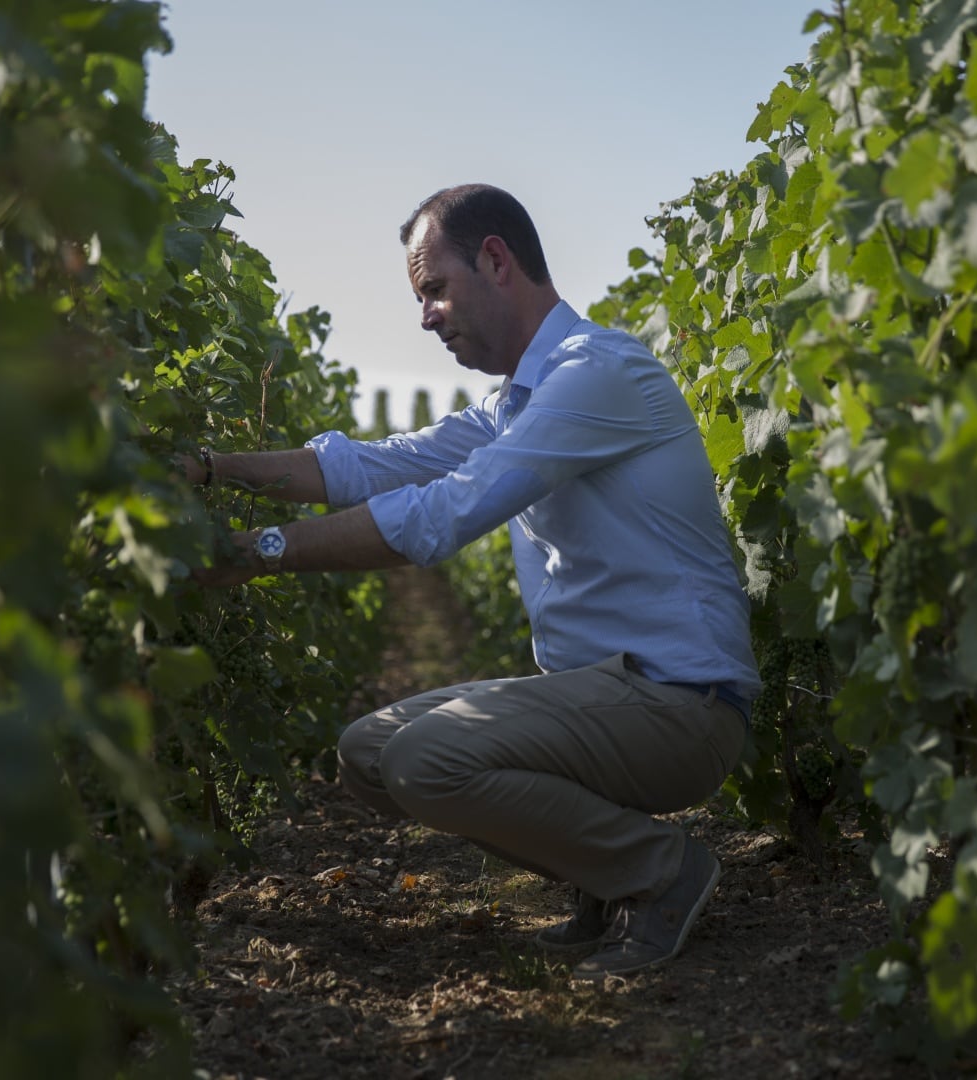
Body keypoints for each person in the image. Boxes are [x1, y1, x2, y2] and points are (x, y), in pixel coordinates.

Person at [182, 184, 760, 979]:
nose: (426, 317)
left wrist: (255, 553)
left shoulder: (600, 373)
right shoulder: (511, 407)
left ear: (495, 261)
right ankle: (603, 876)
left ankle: (662, 872)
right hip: (607, 697)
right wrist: (211, 469)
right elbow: (365, 467)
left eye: (434, 290)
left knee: (427, 761)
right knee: (368, 752)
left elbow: (441, 515)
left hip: (679, 706)